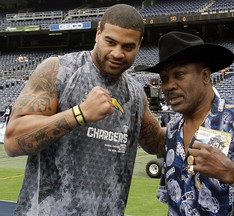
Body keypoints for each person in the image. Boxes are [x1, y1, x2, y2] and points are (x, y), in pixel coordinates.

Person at [4, 4, 165, 215]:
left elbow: (156, 143)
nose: (117, 53)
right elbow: (13, 141)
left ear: (139, 44)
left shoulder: (135, 93)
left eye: (128, 47)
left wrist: (198, 123)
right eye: (110, 42)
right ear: (98, 33)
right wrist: (79, 114)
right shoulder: (59, 69)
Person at [135, 32, 234, 215]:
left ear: (206, 76)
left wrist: (233, 174)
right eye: (165, 78)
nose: (169, 86)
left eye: (179, 75)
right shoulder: (174, 130)